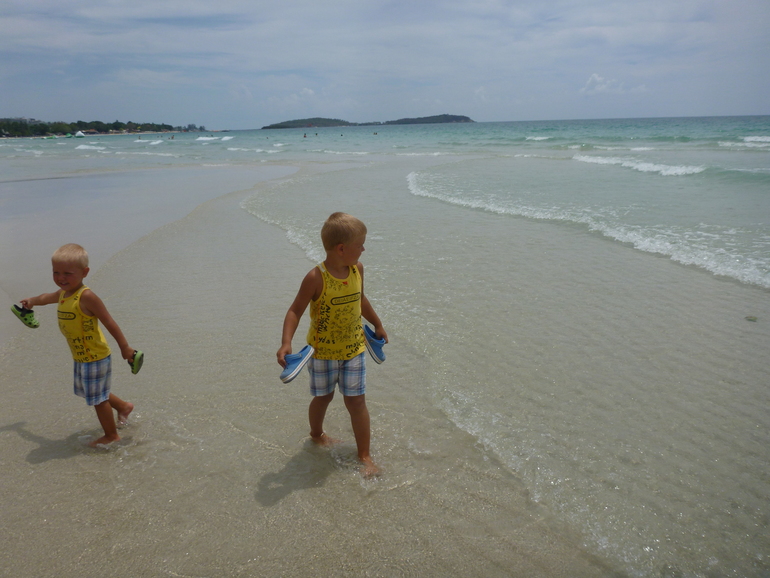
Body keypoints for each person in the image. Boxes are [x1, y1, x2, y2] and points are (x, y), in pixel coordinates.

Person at [277, 213, 388, 477]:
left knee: (357, 402)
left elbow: (361, 299)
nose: (364, 249)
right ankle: (317, 435)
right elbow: (295, 310)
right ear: (341, 248)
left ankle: (365, 456)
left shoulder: (357, 269)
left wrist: (377, 323)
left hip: (354, 350)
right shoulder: (316, 277)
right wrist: (286, 342)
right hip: (322, 353)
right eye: (360, 244)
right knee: (323, 397)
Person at [16, 243, 136, 447]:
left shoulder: (87, 297)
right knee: (93, 392)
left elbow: (110, 322)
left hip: (95, 356)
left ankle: (111, 436)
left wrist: (125, 348)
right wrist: (32, 301)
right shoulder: (63, 294)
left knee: (98, 399)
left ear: (84, 272)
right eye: (56, 272)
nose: (61, 278)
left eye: (67, 273)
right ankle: (124, 407)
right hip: (81, 356)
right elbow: (46, 297)